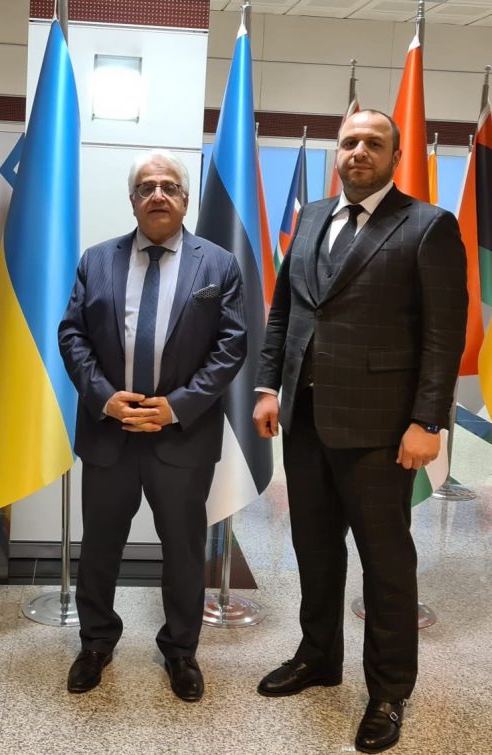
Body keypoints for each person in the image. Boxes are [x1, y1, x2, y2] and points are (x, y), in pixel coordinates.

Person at [253, 110, 467, 753]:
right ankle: (318, 657)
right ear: (337, 153)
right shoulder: (314, 217)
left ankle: (389, 692)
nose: (359, 152)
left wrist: (428, 420)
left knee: (386, 564)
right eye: (349, 142)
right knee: (315, 551)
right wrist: (268, 387)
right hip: (306, 422)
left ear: (395, 157)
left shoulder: (427, 225)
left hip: (381, 429)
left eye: (374, 143)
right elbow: (286, 310)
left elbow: (443, 334)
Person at [58, 149, 247, 702]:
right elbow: (72, 334)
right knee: (100, 546)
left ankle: (181, 651)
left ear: (185, 199)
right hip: (109, 431)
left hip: (182, 435)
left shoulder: (218, 265)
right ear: (133, 200)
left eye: (169, 186)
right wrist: (104, 399)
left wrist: (176, 406)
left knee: (184, 550)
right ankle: (95, 643)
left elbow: (231, 346)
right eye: (147, 187)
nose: (158, 194)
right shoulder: (97, 259)